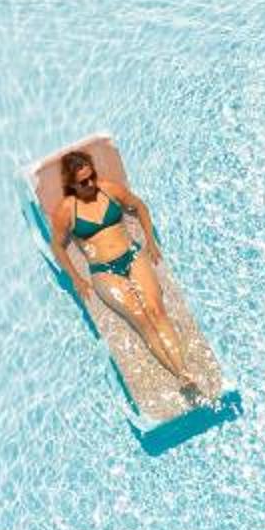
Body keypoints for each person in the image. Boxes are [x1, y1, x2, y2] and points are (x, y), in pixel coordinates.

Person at [50, 149, 201, 393]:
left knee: (156, 311)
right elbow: (57, 246)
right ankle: (180, 376)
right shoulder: (66, 210)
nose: (91, 184)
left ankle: (185, 373)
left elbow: (139, 206)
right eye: (83, 182)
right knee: (141, 319)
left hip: (131, 255)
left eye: (92, 176)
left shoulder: (109, 189)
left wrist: (150, 240)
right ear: (71, 184)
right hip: (103, 270)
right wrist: (76, 278)